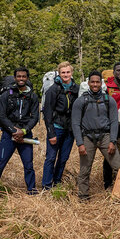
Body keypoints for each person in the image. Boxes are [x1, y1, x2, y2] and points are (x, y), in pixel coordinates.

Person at [0, 67, 40, 195]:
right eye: (19, 76)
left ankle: (32, 191)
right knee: (0, 163)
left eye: (23, 76)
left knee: (28, 165)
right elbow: (2, 116)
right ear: (15, 78)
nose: (21, 79)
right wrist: (13, 130)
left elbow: (35, 117)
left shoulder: (32, 96)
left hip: (25, 134)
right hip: (8, 134)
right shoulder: (6, 95)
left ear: (27, 78)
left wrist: (23, 130)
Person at [72, 71, 120, 200]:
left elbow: (114, 121)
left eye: (97, 82)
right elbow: (75, 123)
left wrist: (113, 141)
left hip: (105, 136)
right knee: (85, 170)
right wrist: (80, 143)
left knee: (118, 167)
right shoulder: (81, 101)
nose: (95, 84)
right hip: (87, 137)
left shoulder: (108, 100)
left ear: (101, 83)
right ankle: (83, 196)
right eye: (92, 82)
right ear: (88, 83)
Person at [41, 61, 78, 190]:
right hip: (56, 128)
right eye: (63, 72)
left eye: (68, 72)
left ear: (71, 73)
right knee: (51, 158)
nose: (66, 75)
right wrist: (51, 132)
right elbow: (47, 113)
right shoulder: (53, 90)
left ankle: (57, 182)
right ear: (59, 73)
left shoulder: (76, 89)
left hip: (70, 130)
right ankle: (46, 185)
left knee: (63, 158)